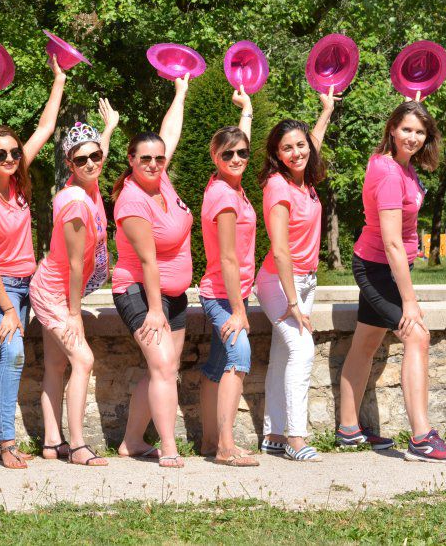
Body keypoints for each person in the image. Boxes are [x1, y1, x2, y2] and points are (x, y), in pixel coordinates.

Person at [337, 101, 446, 462]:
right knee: (417, 335)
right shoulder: (391, 174)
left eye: (420, 132)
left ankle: (349, 429)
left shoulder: (398, 166)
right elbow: (392, 242)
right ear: (392, 129)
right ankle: (422, 438)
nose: (413, 137)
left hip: (381, 264)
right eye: (406, 129)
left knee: (366, 341)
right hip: (379, 268)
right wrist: (409, 301)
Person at [0, 54, 67, 470]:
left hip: (25, 284)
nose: (9, 158)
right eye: (1, 154)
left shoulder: (18, 184)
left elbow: (45, 128)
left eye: (13, 152)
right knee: (14, 354)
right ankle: (7, 442)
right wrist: (8, 308)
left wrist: (59, 79)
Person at [30, 103, 119, 467]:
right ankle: (79, 445)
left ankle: (53, 443)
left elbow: (96, 153)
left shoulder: (88, 182)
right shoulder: (76, 203)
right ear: (69, 164)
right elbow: (74, 264)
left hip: (57, 288)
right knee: (83, 360)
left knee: (55, 366)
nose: (91, 163)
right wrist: (74, 313)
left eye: (96, 156)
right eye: (81, 160)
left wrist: (108, 129)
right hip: (54, 292)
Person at [111, 74, 192, 469]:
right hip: (140, 292)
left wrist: (180, 92)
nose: (154, 164)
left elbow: (169, 133)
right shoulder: (131, 201)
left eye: (159, 158)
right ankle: (169, 447)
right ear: (131, 160)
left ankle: (131, 442)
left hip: (172, 293)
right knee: (162, 367)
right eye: (145, 159)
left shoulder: (162, 182)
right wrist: (156, 311)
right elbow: (147, 262)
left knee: (163, 367)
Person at [253, 87, 337, 462]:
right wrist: (292, 303)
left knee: (283, 354)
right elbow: (281, 250)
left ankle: (273, 434)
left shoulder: (305, 178)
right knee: (302, 351)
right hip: (279, 282)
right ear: (277, 154)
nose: (296, 153)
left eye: (300, 146)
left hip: (305, 280)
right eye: (287, 148)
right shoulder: (278, 185)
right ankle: (296, 438)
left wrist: (327, 109)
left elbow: (312, 142)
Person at [198, 87, 257, 467]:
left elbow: (238, 141)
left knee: (216, 366)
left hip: (231, 292)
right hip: (223, 295)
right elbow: (228, 258)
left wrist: (246, 109)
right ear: (215, 158)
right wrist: (238, 309)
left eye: (243, 153)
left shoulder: (230, 186)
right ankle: (225, 446)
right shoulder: (223, 196)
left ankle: (209, 441)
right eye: (228, 154)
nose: (237, 159)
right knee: (239, 355)